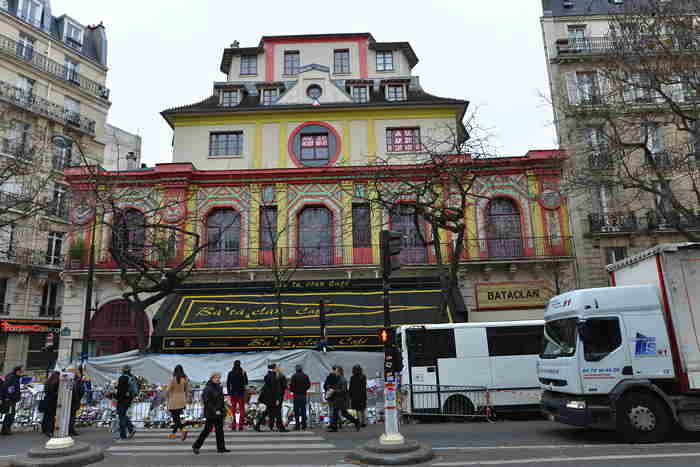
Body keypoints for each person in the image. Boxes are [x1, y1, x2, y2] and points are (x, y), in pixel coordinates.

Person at [192, 372, 229, 454]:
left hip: (219, 412)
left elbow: (221, 399)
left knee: (219, 430)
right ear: (212, 378)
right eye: (216, 378)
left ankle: (221, 448)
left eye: (219, 378)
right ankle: (196, 445)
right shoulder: (208, 388)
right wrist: (215, 410)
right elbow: (207, 401)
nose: (218, 379)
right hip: (211, 413)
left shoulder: (219, 387)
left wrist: (223, 409)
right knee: (207, 430)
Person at [328, 366, 360, 432]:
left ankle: (334, 427)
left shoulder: (342, 379)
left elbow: (343, 390)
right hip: (339, 398)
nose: (335, 372)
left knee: (337, 412)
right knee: (342, 413)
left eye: (336, 371)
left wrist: (335, 391)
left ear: (339, 372)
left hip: (341, 398)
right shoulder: (339, 378)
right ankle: (356, 422)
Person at [254, 363, 281, 432]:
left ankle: (261, 425)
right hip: (271, 397)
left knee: (268, 412)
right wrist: (277, 398)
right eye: (277, 367)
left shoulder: (269, 375)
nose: (278, 368)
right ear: (274, 368)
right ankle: (261, 425)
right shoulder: (273, 376)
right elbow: (274, 388)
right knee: (271, 412)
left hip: (268, 397)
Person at [167, 364, 189, 440]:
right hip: (182, 399)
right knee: (177, 418)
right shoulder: (185, 378)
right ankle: (173, 433)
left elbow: (168, 390)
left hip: (174, 400)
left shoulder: (173, 379)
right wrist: (186, 399)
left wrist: (167, 396)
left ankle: (183, 429)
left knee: (175, 418)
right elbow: (186, 390)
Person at [226, 360, 248, 431]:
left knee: (233, 409)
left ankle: (233, 425)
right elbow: (246, 382)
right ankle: (241, 425)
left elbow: (228, 384)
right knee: (242, 410)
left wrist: (229, 393)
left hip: (233, 393)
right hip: (241, 393)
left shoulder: (230, 373)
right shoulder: (243, 372)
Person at [116, 365, 137, 440]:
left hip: (122, 399)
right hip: (129, 399)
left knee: (121, 416)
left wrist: (116, 397)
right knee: (123, 414)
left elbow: (120, 391)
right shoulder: (132, 377)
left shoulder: (122, 378)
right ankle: (131, 428)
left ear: (123, 370)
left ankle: (123, 435)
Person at [1, 366, 22, 435]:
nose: (21, 373)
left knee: (10, 414)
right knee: (10, 414)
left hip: (11, 399)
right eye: (20, 372)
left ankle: (6, 429)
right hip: (10, 400)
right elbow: (6, 387)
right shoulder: (12, 378)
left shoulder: (14, 378)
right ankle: (6, 429)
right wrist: (8, 397)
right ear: (17, 371)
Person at [289, 364, 311, 431]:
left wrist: (293, 390)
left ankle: (297, 425)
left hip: (296, 395)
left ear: (296, 369)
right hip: (303, 395)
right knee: (303, 410)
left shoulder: (294, 376)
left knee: (296, 411)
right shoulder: (305, 376)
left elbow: (291, 386)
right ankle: (304, 425)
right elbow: (308, 385)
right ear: (302, 369)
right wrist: (304, 389)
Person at [41, 371, 60, 437]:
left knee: (46, 416)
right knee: (51, 417)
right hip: (52, 401)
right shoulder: (56, 382)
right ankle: (49, 430)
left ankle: (44, 429)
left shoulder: (47, 381)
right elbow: (55, 393)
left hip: (46, 400)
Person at [69, 367, 86, 436]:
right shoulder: (77, 381)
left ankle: (70, 429)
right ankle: (71, 429)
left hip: (72, 401)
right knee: (72, 416)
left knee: (71, 416)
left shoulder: (73, 380)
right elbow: (81, 391)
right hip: (74, 401)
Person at [273, 365, 288, 431]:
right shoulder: (281, 376)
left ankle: (278, 425)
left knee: (276, 410)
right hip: (279, 395)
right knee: (278, 411)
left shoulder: (274, 376)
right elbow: (284, 386)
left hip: (274, 395)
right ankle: (280, 426)